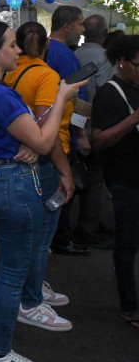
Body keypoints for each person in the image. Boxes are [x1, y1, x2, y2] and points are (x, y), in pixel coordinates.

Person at [0, 21, 85, 362]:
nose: (18, 51)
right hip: (12, 185)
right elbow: (45, 141)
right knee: (16, 271)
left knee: (8, 263)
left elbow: (25, 135)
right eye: (12, 45)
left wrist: (26, 141)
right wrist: (62, 96)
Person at [3, 22, 75, 334]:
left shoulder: (8, 72)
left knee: (32, 237)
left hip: (25, 157)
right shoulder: (46, 76)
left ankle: (34, 286)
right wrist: (65, 170)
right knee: (41, 237)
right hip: (46, 159)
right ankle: (30, 300)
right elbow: (45, 129)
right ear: (46, 46)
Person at [91, 35, 139, 330]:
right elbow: (98, 140)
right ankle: (130, 305)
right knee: (128, 243)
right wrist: (133, 119)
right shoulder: (110, 93)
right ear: (122, 62)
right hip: (126, 179)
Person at [45, 6, 90, 256]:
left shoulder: (42, 50)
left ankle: (53, 238)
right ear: (67, 27)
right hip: (61, 135)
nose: (82, 31)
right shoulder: (67, 57)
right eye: (80, 25)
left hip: (39, 132)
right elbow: (77, 103)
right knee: (64, 186)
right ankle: (60, 239)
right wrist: (81, 135)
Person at [72, 14, 116, 250]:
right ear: (105, 33)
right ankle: (89, 228)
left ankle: (82, 227)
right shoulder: (104, 58)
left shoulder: (75, 55)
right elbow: (102, 95)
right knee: (94, 181)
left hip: (74, 124)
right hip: (92, 127)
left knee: (82, 177)